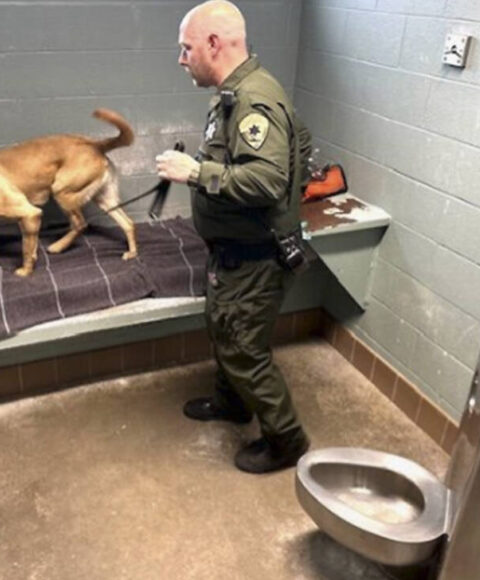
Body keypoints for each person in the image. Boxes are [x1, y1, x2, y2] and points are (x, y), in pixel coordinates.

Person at [156, 0, 312, 474]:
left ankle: (287, 440)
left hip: (256, 255)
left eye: (186, 49)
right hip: (233, 251)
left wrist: (197, 173)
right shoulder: (235, 92)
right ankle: (232, 403)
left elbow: (266, 181)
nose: (181, 59)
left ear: (213, 44)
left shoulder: (252, 100)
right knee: (224, 330)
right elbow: (300, 143)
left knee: (244, 348)